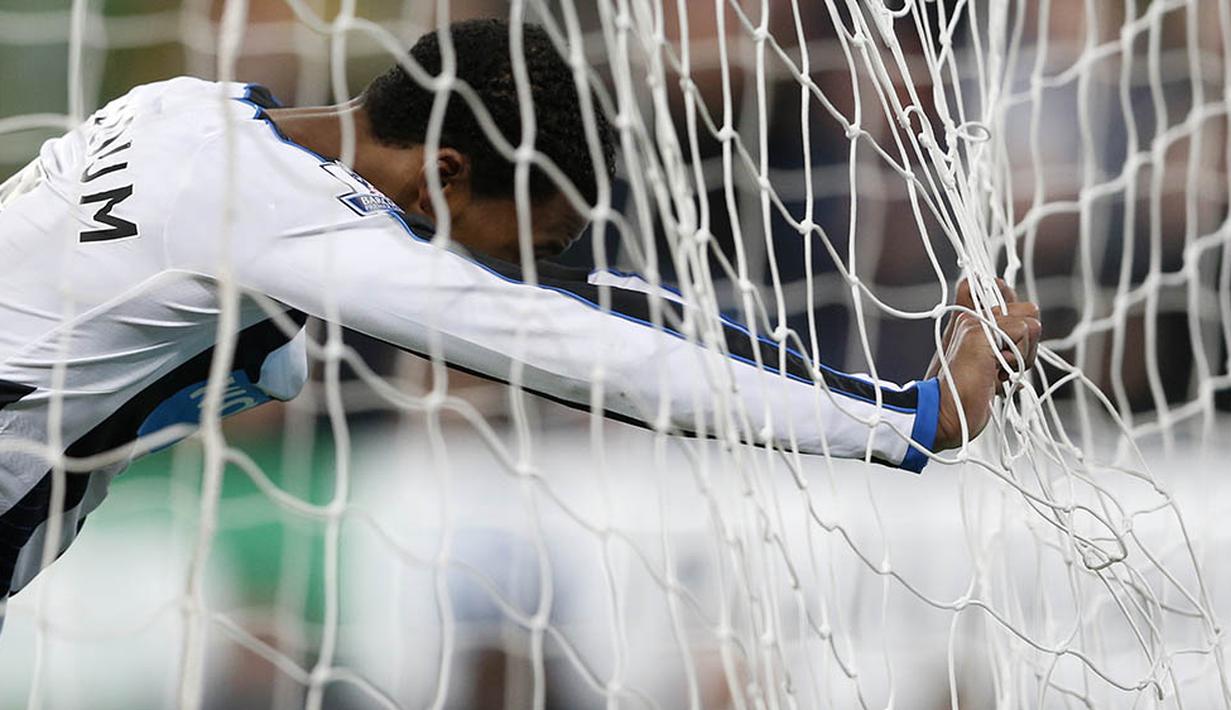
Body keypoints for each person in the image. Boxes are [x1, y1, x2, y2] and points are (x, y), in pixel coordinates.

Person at [0, 19, 1040, 607]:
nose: (531, 269)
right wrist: (912, 414)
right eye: (528, 240)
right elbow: (580, 340)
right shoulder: (303, 223)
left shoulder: (183, 108)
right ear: (445, 170)